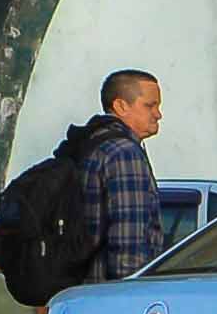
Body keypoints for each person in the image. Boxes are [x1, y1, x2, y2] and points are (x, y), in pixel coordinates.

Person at [61, 68, 168, 292]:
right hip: (112, 295)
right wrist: (131, 295)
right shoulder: (123, 153)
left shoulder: (91, 144)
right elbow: (127, 243)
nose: (158, 114)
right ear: (121, 106)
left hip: (81, 290)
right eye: (150, 105)